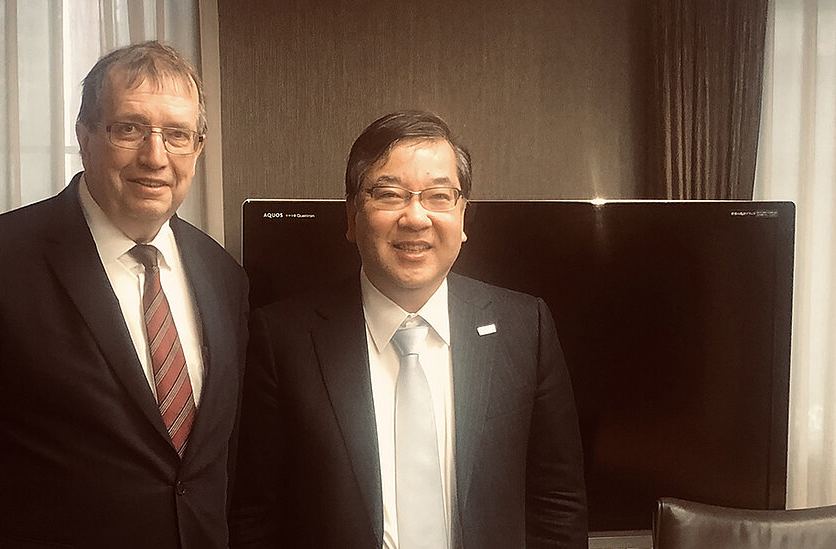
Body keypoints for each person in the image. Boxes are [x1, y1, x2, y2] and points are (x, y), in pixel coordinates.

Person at [0, 41, 248, 548]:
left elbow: (218, 473)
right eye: (129, 129)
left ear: (198, 148)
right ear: (85, 136)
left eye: (177, 135)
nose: (155, 156)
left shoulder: (226, 277)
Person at [229, 111, 588, 548]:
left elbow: (557, 504)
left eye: (439, 196)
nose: (416, 217)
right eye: (389, 194)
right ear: (351, 216)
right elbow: (256, 516)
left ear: (462, 216)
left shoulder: (525, 327)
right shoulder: (282, 339)